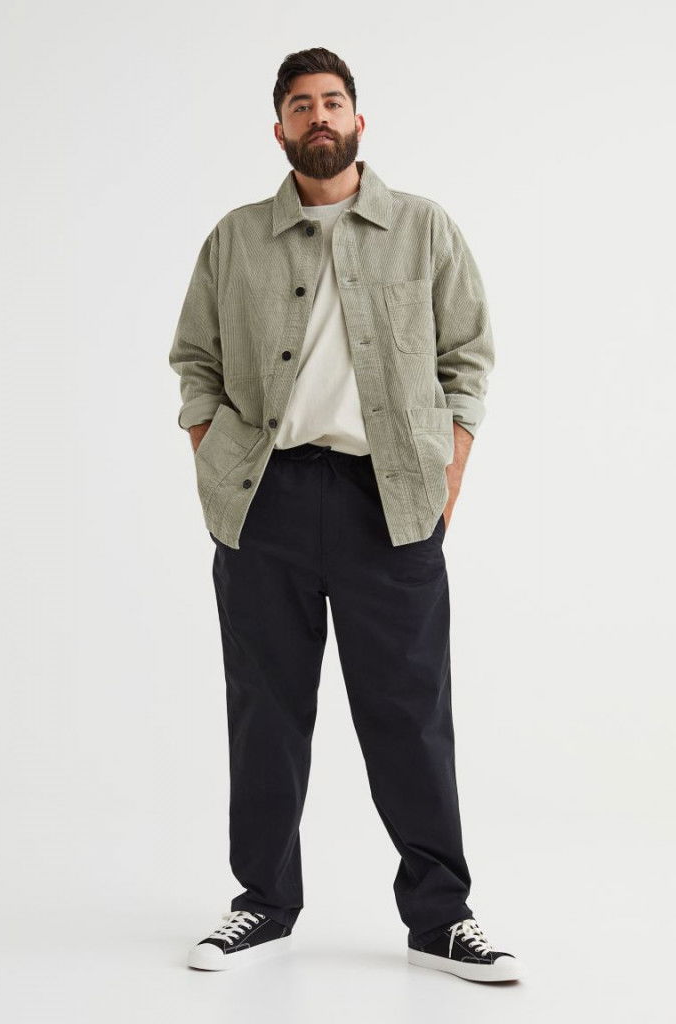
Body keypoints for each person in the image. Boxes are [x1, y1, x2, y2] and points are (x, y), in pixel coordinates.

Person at [169, 47, 521, 983]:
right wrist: (213, 457)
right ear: (278, 129)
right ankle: (262, 902)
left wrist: (448, 473)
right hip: (266, 501)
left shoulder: (421, 227)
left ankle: (441, 917)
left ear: (358, 120)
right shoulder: (236, 237)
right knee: (265, 712)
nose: (317, 116)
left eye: (331, 102)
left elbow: (466, 358)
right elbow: (195, 359)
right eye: (300, 105)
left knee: (409, 714)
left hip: (389, 502)